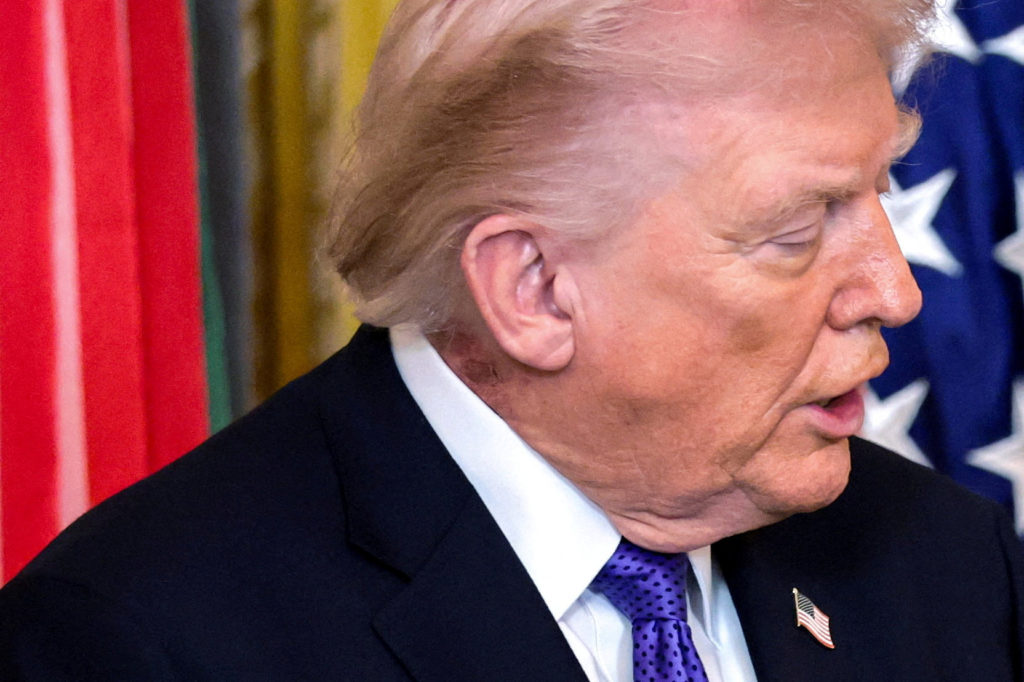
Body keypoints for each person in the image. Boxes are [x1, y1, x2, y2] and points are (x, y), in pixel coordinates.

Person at [3, 0, 1022, 680]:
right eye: (798, 232)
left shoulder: (946, 562)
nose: (892, 290)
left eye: (879, 193)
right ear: (532, 289)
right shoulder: (137, 642)